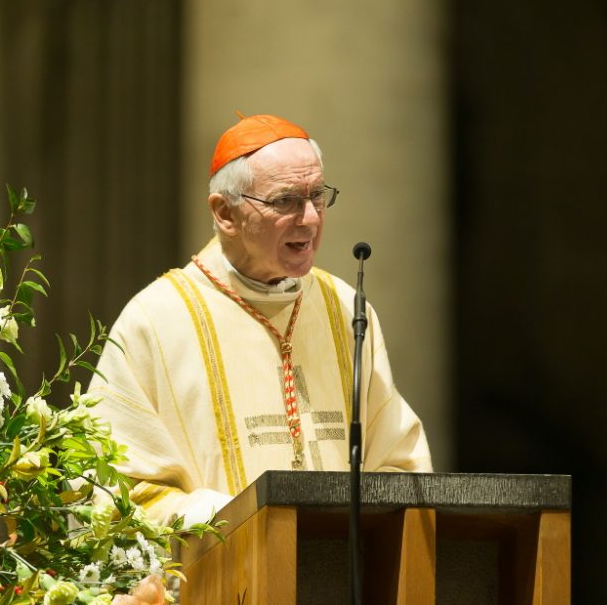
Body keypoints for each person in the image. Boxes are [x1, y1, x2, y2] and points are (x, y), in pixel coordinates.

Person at [88, 114, 432, 524]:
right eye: (285, 200)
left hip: (341, 576)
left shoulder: (344, 307)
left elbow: (399, 462)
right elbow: (115, 491)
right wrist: (239, 519)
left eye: (317, 196)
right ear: (225, 213)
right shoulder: (157, 322)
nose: (310, 218)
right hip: (223, 582)